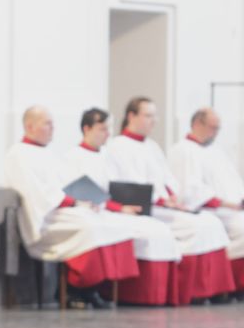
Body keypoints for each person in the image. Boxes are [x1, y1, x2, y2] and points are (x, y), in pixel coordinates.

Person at [4, 107, 139, 308]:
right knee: (89, 227)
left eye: (53, 124)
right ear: (29, 126)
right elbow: (36, 194)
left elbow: (68, 183)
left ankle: (95, 289)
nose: (53, 129)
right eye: (47, 123)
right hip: (44, 218)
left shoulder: (47, 153)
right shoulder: (19, 154)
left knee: (105, 221)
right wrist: (73, 202)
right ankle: (76, 289)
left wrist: (85, 200)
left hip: (60, 211)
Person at [107, 97, 234, 303]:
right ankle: (187, 293)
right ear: (131, 116)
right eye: (148, 115)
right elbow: (124, 185)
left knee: (209, 222)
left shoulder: (152, 146)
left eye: (154, 116)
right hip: (143, 208)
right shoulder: (117, 146)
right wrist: (160, 200)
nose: (153, 120)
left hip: (164, 205)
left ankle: (206, 291)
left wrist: (172, 195)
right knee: (193, 227)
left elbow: (166, 178)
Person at [61, 107, 181, 306]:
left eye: (108, 129)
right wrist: (113, 207)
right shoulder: (73, 156)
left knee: (150, 228)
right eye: (102, 129)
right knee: (102, 228)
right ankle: (83, 288)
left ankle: (106, 289)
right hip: (86, 210)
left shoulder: (106, 155)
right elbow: (76, 189)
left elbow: (115, 186)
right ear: (86, 128)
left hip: (107, 208)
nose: (108, 134)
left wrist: (121, 206)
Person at [168, 107, 244, 292]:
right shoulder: (183, 150)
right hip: (211, 209)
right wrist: (227, 204)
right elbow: (190, 190)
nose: (215, 132)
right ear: (197, 124)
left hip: (232, 208)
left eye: (218, 128)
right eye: (212, 127)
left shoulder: (216, 151)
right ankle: (235, 285)